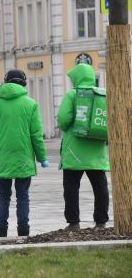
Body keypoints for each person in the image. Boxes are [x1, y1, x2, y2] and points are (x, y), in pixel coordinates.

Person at [0, 69, 48, 237]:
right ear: (24, 83)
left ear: (6, 82)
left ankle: (1, 231)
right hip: (23, 159)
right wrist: (42, 158)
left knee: (3, 196)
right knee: (23, 196)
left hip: (3, 159)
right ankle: (23, 231)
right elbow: (36, 135)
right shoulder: (30, 104)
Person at [57, 63, 110, 231]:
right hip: (97, 150)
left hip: (75, 151)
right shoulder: (102, 94)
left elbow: (64, 120)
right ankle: (101, 222)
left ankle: (73, 223)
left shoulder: (72, 94)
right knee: (100, 187)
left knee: (71, 188)